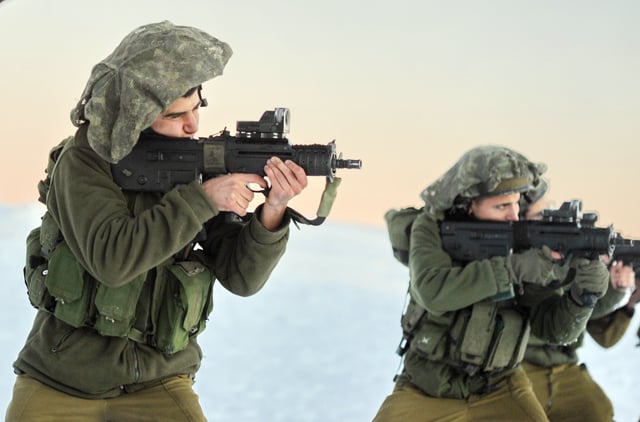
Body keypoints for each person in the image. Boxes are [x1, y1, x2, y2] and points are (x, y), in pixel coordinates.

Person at [5, 21, 309, 421]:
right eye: (175, 114)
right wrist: (202, 200)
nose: (193, 126)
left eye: (198, 106)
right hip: (61, 377)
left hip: (159, 379)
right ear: (136, 114)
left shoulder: (198, 160)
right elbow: (112, 260)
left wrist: (272, 211)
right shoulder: (82, 162)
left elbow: (242, 278)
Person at [372, 145, 610, 422]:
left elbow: (554, 330)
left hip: (499, 386)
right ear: (469, 204)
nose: (514, 216)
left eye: (517, 203)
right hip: (426, 386)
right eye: (501, 206)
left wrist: (581, 299)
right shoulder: (431, 227)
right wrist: (512, 270)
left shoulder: (524, 239)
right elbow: (432, 291)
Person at [518, 185, 636, 422]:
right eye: (541, 215)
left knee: (600, 414)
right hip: (522, 367)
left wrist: (617, 292)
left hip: (564, 366)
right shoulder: (518, 261)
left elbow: (588, 320)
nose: (550, 220)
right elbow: (553, 319)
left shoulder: (564, 259)